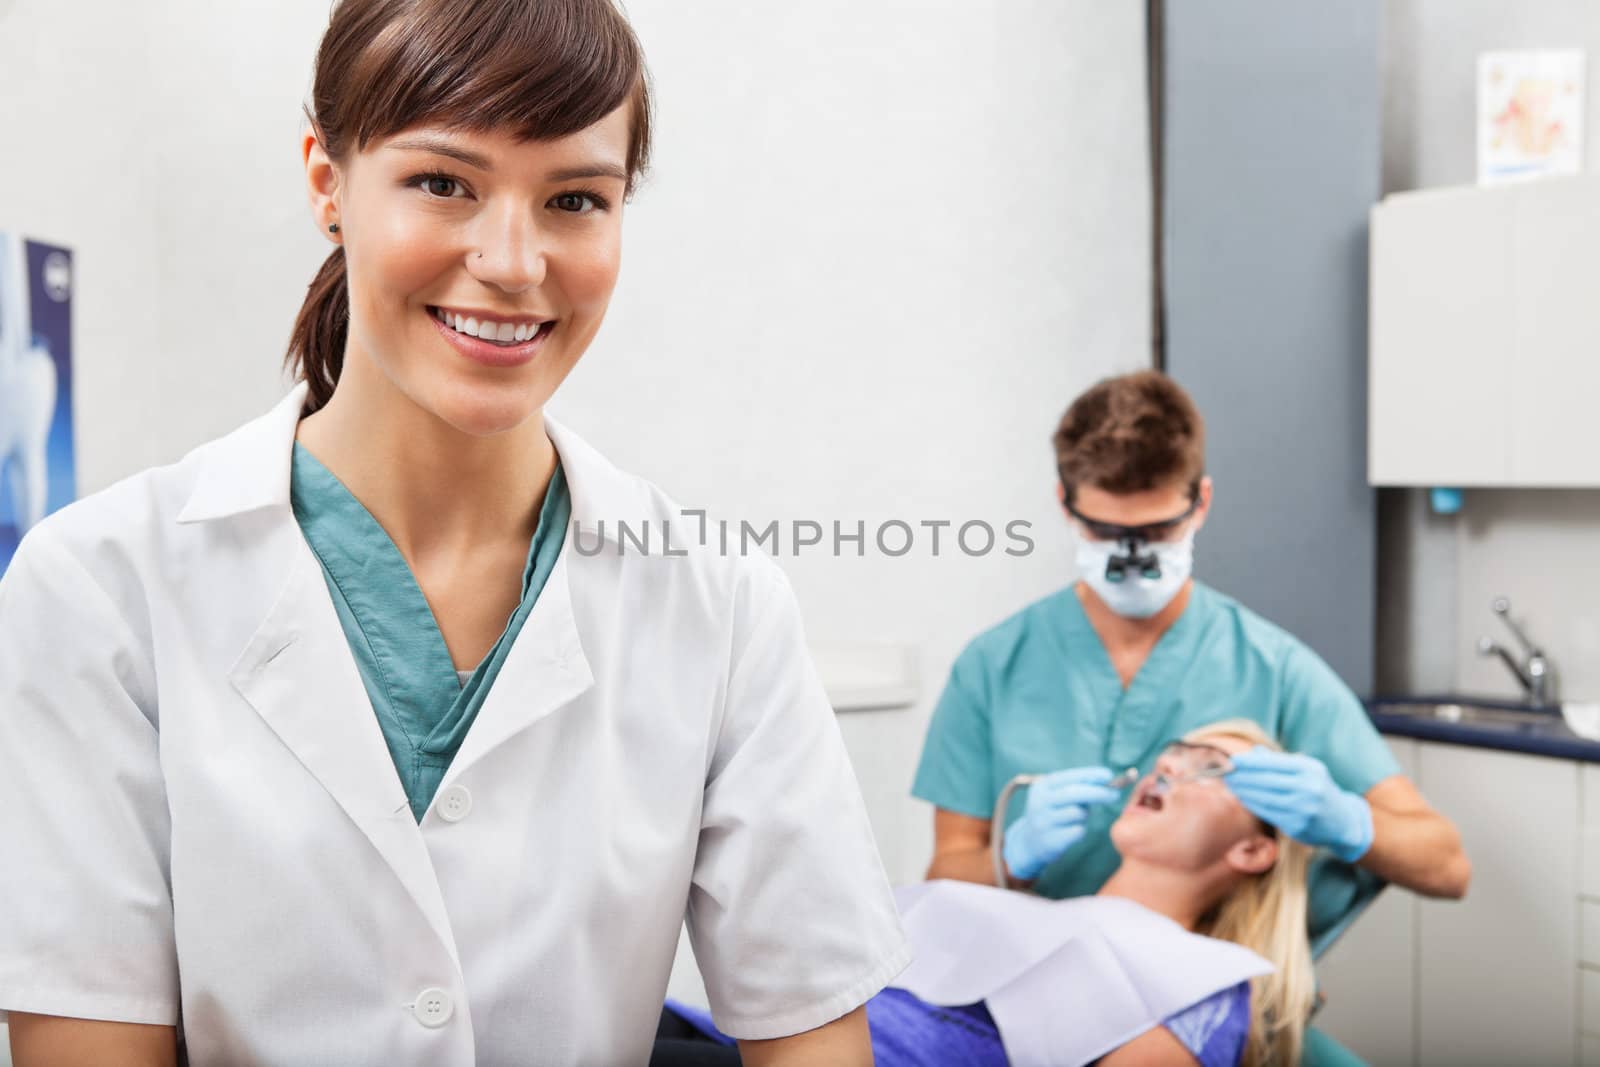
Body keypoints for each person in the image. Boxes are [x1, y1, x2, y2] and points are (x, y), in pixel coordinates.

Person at [0, 2, 908, 1064]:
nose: (514, 261)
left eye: (575, 197)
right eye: (443, 182)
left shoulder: (718, 602)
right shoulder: (102, 584)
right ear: (327, 184)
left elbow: (810, 1029)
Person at [912, 371, 1469, 1059]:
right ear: (1065, 504)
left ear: (1200, 502)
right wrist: (1008, 859)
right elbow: (946, 877)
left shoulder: (1275, 667)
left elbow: (1447, 864)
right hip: (1032, 994)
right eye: (1106, 529)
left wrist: (1345, 820)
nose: (1133, 553)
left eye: (1156, 528)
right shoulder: (994, 665)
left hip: (1178, 1005)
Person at [656, 720, 1316, 1067]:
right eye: (1177, 750)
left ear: (1255, 850)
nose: (1172, 763)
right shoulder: (1039, 916)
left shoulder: (1209, 983)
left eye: (1212, 767)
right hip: (734, 1031)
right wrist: (1008, 860)